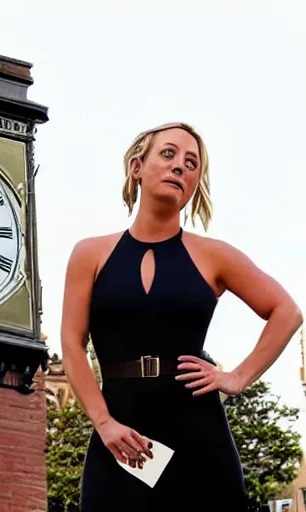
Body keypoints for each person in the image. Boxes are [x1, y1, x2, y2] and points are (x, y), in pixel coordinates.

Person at [60, 122, 303, 511]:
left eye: (192, 164)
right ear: (137, 166)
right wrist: (103, 422)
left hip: (198, 433)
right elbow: (72, 345)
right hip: (121, 434)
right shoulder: (90, 254)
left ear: (194, 185)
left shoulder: (214, 255)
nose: (180, 167)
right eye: (169, 154)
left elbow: (286, 312)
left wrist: (236, 377)